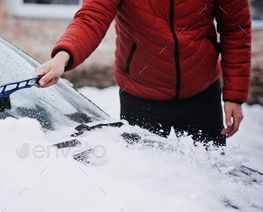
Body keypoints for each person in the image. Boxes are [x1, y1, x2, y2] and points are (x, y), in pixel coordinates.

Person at [34, 0, 251, 147]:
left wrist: (234, 95)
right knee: (145, 183)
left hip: (202, 95)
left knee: (212, 179)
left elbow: (236, 29)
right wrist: (63, 56)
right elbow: (92, 17)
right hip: (142, 98)